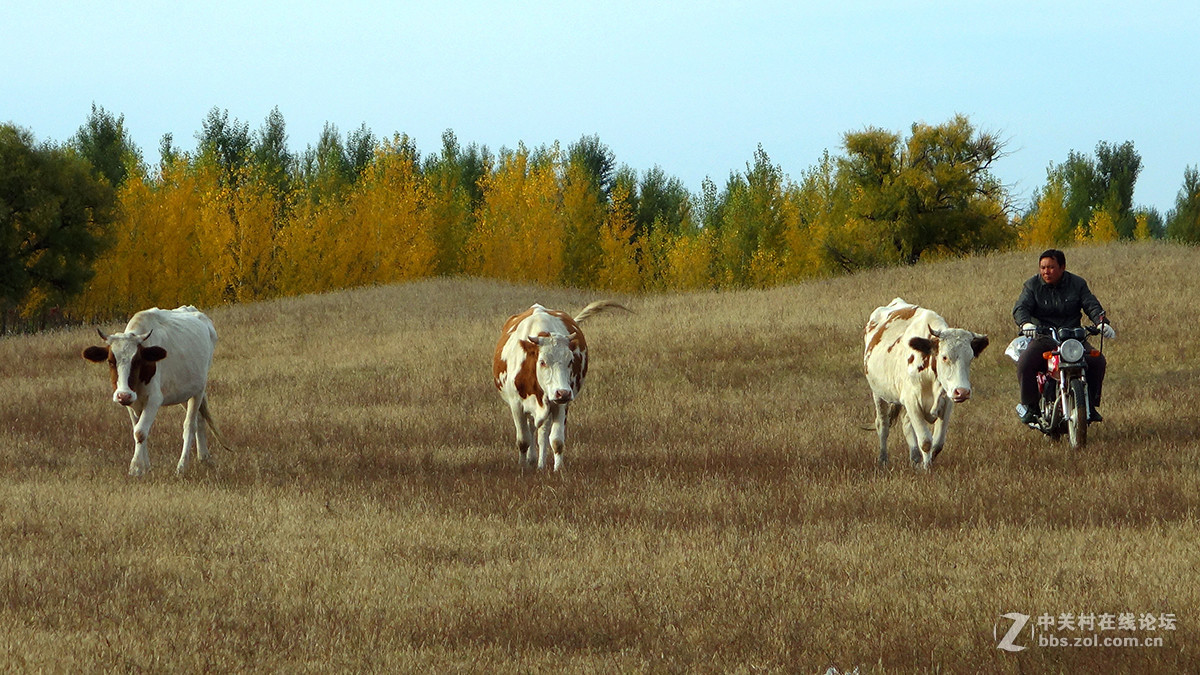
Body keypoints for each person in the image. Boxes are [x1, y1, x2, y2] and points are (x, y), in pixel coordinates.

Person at [1012, 249, 1115, 425]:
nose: (1046, 271)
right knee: (1025, 363)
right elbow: (1021, 308)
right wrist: (1026, 324)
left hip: (1073, 337)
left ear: (1063, 267)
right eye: (1043, 267)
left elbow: (1091, 304)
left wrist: (1101, 322)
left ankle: (1089, 405)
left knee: (1098, 361)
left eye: (1051, 267)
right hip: (1044, 337)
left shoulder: (1077, 284)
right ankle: (1030, 407)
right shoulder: (1032, 285)